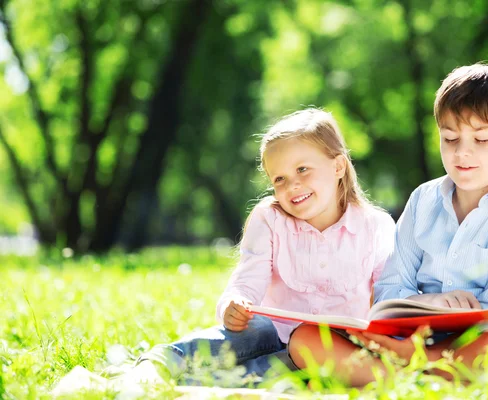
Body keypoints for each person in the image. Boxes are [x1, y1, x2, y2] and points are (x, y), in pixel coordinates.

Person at [287, 64, 488, 386]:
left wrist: (409, 350)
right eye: (450, 138)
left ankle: (404, 371)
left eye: (482, 139)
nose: (462, 152)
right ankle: (429, 374)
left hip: (484, 347)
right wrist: (427, 304)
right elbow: (391, 288)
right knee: (306, 338)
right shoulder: (423, 200)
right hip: (414, 339)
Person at [131, 108, 395, 385]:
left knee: (285, 373)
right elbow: (247, 281)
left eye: (302, 169)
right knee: (254, 330)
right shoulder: (269, 219)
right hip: (273, 333)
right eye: (279, 179)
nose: (292, 185)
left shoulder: (376, 227)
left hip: (330, 348)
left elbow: (387, 298)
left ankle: (203, 382)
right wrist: (234, 303)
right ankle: (164, 361)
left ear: (338, 166)